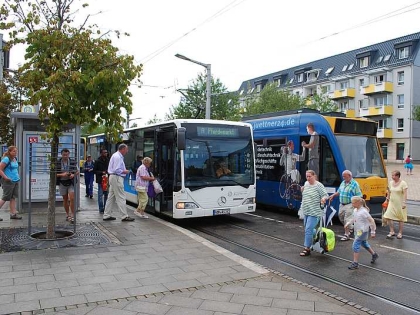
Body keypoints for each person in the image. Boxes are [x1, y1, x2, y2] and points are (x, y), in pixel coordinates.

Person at [299, 170, 328, 257]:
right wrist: (302, 190)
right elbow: (305, 194)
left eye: (309, 176)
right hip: (306, 210)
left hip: (315, 212)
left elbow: (325, 195)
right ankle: (316, 236)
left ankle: (307, 248)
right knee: (308, 229)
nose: (308, 178)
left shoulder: (318, 185)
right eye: (307, 176)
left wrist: (323, 199)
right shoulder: (306, 184)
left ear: (314, 176)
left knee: (308, 229)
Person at [103, 144, 135, 222]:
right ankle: (124, 216)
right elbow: (117, 169)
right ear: (123, 149)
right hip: (117, 177)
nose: (127, 152)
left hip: (113, 177)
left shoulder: (116, 155)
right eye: (126, 150)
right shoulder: (118, 157)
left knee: (110, 198)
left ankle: (106, 215)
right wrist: (125, 171)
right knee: (121, 197)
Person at [346, 196, 378, 270]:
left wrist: (373, 231)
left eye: (353, 203)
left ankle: (355, 263)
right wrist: (348, 223)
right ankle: (374, 254)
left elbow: (371, 221)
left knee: (355, 245)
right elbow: (354, 218)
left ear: (358, 203)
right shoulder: (355, 210)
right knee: (363, 243)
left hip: (362, 231)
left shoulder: (363, 211)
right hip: (357, 230)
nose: (352, 204)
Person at [328, 170, 362, 241]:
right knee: (341, 217)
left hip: (350, 204)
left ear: (349, 176)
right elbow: (339, 192)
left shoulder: (355, 184)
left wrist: (356, 204)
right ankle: (351, 227)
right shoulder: (343, 183)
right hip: (342, 204)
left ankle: (346, 234)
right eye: (343, 176)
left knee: (347, 219)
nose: (343, 178)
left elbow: (359, 195)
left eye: (345, 176)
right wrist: (333, 196)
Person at [383, 170, 408, 239]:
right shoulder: (391, 183)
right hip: (392, 202)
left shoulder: (403, 183)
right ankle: (392, 231)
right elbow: (389, 192)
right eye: (392, 175)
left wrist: (404, 202)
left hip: (400, 203)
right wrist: (386, 200)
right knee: (388, 216)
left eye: (393, 175)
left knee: (400, 218)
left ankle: (400, 233)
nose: (392, 177)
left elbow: (405, 194)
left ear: (397, 176)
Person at [56, 148, 79, 223]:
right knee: (65, 199)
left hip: (70, 182)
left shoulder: (72, 162)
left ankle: (72, 215)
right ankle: (67, 214)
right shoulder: (58, 162)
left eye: (67, 155)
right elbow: (54, 174)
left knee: (72, 198)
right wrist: (62, 174)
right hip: (62, 182)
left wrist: (73, 174)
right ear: (61, 155)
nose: (65, 156)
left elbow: (77, 171)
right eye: (64, 155)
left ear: (69, 154)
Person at [0, 146, 22, 221]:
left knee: (13, 197)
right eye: (13, 151)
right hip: (8, 181)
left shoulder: (15, 159)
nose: (15, 153)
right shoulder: (6, 159)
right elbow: (0, 169)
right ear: (9, 152)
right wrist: (5, 177)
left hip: (15, 180)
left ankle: (13, 214)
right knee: (5, 198)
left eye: (16, 151)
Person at [93, 149, 110, 213]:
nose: (106, 153)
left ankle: (106, 207)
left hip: (107, 179)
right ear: (101, 153)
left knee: (106, 194)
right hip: (100, 180)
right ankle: (101, 208)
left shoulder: (108, 160)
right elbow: (94, 171)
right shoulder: (97, 161)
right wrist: (101, 172)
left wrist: (108, 172)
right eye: (104, 152)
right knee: (100, 195)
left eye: (106, 152)